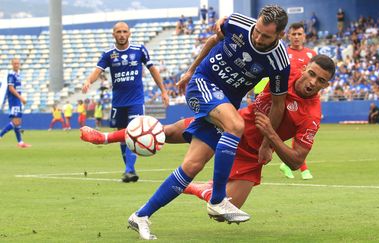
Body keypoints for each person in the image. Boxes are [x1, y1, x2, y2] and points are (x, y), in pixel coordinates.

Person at [80, 55, 335, 224]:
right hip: (232, 124)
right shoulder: (285, 74)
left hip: (253, 154)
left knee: (223, 215)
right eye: (312, 74)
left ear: (326, 85)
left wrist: (271, 138)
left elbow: (296, 161)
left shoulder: (312, 115)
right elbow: (254, 80)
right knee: (167, 132)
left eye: (321, 81)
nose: (313, 82)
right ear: (304, 68)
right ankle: (105, 137)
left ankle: (199, 187)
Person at [129, 6, 289, 240]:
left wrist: (267, 143)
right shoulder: (237, 23)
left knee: (192, 166)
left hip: (224, 104)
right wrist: (191, 71)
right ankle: (218, 199)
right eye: (257, 31)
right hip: (202, 84)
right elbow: (214, 39)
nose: (257, 37)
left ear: (279, 36)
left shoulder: (279, 63)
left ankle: (140, 216)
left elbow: (278, 105)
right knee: (235, 126)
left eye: (265, 36)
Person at [82, 21, 169, 183]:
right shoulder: (108, 54)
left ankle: (130, 169)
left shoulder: (139, 50)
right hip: (118, 102)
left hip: (135, 101)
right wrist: (88, 81)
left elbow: (153, 69)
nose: (122, 35)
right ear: (113, 34)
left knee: (132, 132)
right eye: (119, 32)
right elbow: (97, 70)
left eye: (124, 32)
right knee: (122, 136)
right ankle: (129, 169)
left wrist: (163, 90)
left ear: (129, 34)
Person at [279, 22, 317, 180]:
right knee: (287, 130)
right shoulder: (283, 53)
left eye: (299, 34)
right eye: (293, 34)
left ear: (304, 36)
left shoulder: (312, 55)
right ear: (288, 36)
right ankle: (301, 168)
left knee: (303, 132)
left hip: (307, 101)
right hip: (286, 99)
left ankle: (292, 166)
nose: (296, 37)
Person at [0, 58, 31, 148]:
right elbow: (11, 88)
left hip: (17, 100)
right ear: (12, 64)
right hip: (14, 100)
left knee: (18, 121)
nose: (16, 65)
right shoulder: (11, 75)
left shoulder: (18, 74)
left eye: (18, 63)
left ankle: (20, 142)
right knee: (16, 121)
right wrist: (21, 98)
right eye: (15, 64)